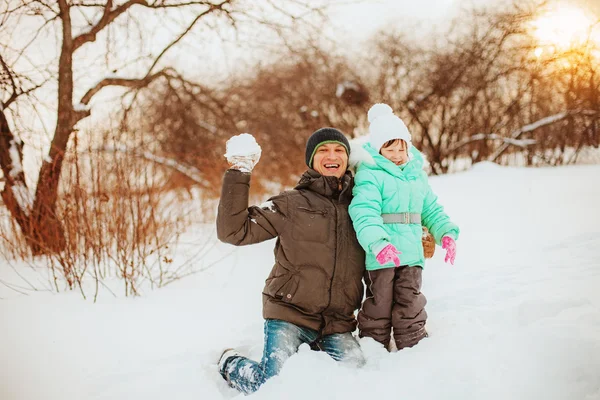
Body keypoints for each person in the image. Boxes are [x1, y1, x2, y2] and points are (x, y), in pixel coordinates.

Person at [216, 128, 366, 395]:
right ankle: (231, 364)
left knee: (356, 382)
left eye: (339, 150)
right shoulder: (291, 204)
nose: (332, 155)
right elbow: (234, 231)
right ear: (311, 160)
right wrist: (240, 171)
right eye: (323, 150)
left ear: (347, 158)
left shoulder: (362, 208)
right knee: (274, 386)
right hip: (290, 315)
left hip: (337, 323)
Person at [348, 103, 460, 351]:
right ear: (379, 149)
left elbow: (430, 209)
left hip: (411, 253)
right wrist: (378, 243)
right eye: (391, 148)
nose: (398, 154)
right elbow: (364, 211)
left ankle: (413, 344)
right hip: (382, 254)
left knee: (410, 299)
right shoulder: (370, 173)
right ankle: (373, 346)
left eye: (402, 148)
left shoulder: (415, 175)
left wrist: (446, 233)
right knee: (380, 302)